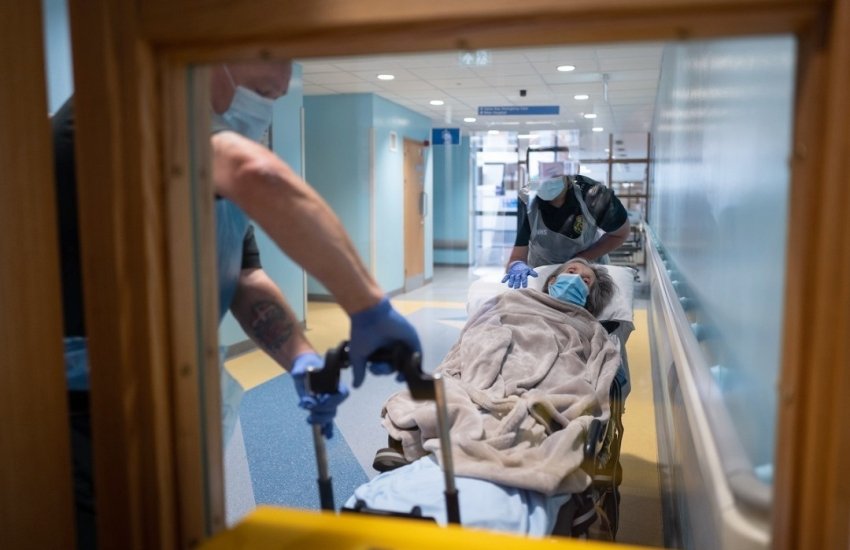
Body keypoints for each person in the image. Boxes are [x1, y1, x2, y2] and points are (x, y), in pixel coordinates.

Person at [53, 60, 421, 549]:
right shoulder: (123, 117)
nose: (265, 109)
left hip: (161, 398)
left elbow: (245, 275)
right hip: (80, 417)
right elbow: (255, 171)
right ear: (209, 60)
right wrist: (368, 306)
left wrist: (301, 358)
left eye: (277, 96)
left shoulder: (207, 163)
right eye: (262, 92)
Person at [359, 258, 620, 535]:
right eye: (571, 271)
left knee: (545, 403)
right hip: (498, 363)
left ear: (590, 295)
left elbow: (599, 369)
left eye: (585, 280)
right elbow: (478, 329)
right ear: (552, 280)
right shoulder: (514, 299)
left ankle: (450, 450)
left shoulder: (591, 327)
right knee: (450, 389)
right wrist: (484, 357)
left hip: (553, 375)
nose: (576, 278)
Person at [502, 161, 630, 289]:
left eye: (552, 173)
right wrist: (517, 265)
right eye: (539, 174)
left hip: (588, 266)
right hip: (544, 271)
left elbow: (619, 234)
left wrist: (581, 259)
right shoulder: (524, 202)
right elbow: (517, 256)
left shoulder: (594, 195)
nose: (545, 180)